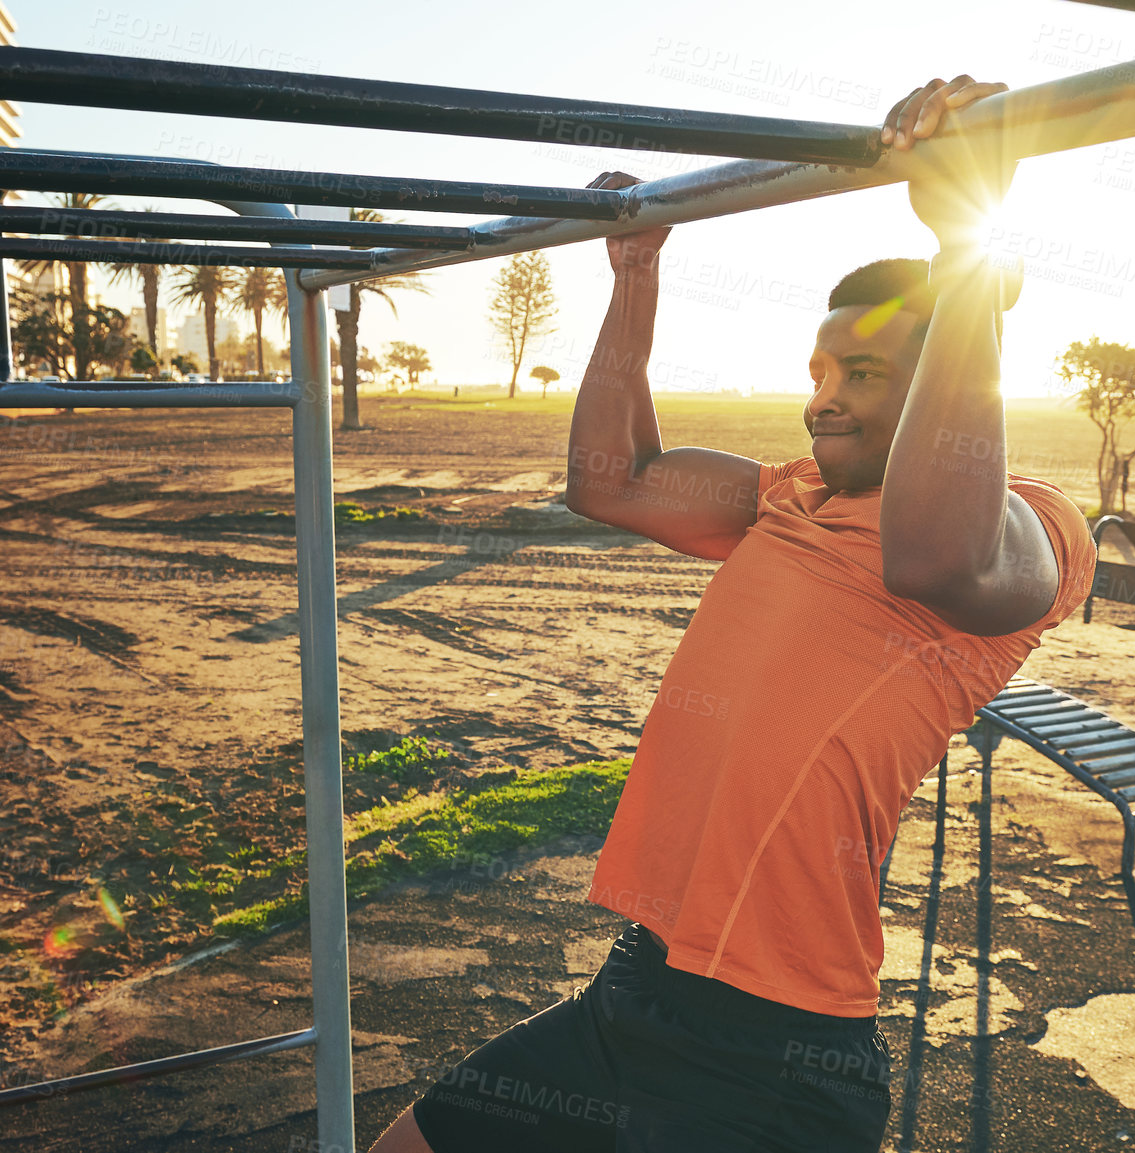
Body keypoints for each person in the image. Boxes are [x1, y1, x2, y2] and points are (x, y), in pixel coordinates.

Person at [369, 74, 1097, 1153]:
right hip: (637, 989)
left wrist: (966, 268)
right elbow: (609, 477)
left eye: (863, 372)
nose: (823, 396)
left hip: (776, 1057)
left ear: (947, 373)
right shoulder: (783, 495)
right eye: (817, 369)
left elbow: (938, 551)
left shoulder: (1028, 526)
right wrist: (636, 272)